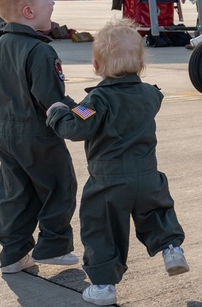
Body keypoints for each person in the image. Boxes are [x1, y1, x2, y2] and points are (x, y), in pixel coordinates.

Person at [47, 17, 188, 307]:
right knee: (157, 212)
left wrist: (59, 112)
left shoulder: (97, 100)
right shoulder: (150, 95)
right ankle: (171, 248)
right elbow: (149, 99)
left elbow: (76, 127)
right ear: (141, 65)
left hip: (109, 183)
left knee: (102, 229)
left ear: (97, 66)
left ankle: (103, 286)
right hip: (148, 177)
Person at [0, 0, 79, 274]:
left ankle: (13, 254)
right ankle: (53, 246)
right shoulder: (40, 51)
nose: (53, 3)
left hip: (6, 132)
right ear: (29, 11)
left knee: (16, 194)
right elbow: (52, 101)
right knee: (59, 186)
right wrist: (87, 112)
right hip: (38, 134)